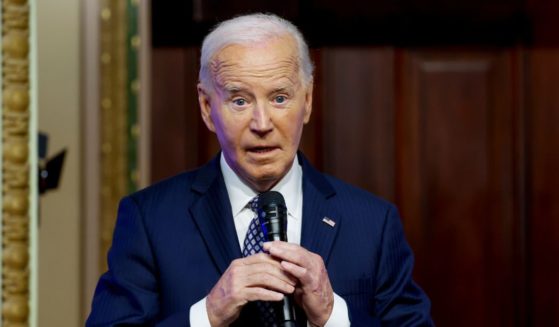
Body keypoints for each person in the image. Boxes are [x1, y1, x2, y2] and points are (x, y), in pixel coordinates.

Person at [87, 13, 433, 326]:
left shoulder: (372, 223)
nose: (262, 123)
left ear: (308, 101)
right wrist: (208, 314)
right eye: (240, 100)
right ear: (207, 107)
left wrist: (332, 315)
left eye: (279, 98)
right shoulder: (150, 219)